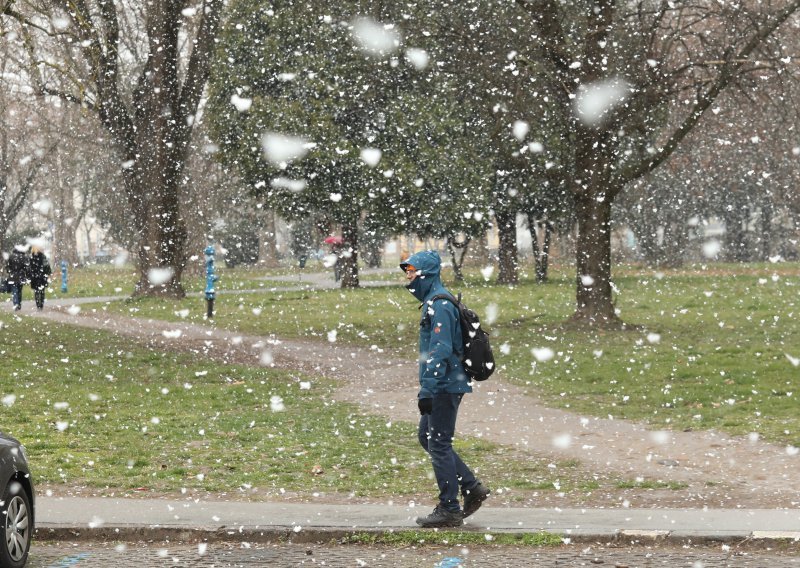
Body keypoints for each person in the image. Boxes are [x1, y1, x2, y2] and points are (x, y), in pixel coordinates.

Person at [400, 250, 490, 528]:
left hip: (445, 385)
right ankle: (472, 487)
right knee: (428, 438)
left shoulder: (439, 304)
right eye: (407, 271)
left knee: (438, 442)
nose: (408, 276)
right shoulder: (434, 301)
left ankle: (449, 508)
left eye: (412, 271)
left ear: (425, 274)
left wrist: (428, 390)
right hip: (445, 382)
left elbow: (439, 350)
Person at [6, 246, 29, 311]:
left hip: (13, 276)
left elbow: (7, 267)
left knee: (14, 291)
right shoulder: (24, 257)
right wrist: (26, 275)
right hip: (21, 276)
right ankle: (19, 305)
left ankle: (16, 304)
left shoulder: (11, 257)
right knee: (19, 291)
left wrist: (10, 271)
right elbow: (26, 268)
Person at [29, 246, 51, 310]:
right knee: (42, 291)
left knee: (36, 291)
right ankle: (41, 304)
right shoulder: (43, 256)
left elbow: (29, 268)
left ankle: (38, 304)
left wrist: (30, 275)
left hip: (34, 277)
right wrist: (47, 273)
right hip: (42, 277)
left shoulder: (31, 257)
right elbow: (47, 266)